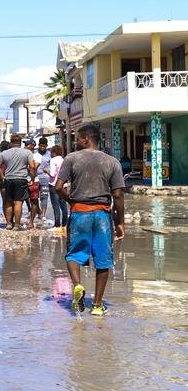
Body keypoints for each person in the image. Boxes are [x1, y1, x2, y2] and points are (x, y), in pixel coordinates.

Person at [55, 124, 125, 316]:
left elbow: (59, 187)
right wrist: (120, 222)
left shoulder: (71, 159)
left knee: (73, 254)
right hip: (102, 215)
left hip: (79, 214)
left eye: (78, 138)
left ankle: (78, 285)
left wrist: (72, 201)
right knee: (103, 259)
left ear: (86, 139)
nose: (76, 142)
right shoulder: (112, 162)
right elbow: (118, 195)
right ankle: (96, 305)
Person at [0, 136, 37, 230]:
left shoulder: (4, 153)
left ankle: (8, 224)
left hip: (8, 179)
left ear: (11, 142)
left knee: (8, 203)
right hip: (21, 179)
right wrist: (32, 178)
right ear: (20, 143)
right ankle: (17, 225)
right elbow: (32, 166)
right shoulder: (27, 152)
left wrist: (2, 177)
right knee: (18, 202)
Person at [45, 145, 69, 232]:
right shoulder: (64, 160)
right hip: (64, 185)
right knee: (63, 205)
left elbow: (52, 174)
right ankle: (65, 224)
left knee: (56, 206)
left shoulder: (53, 160)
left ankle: (57, 225)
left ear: (54, 152)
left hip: (54, 185)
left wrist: (46, 171)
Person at [25, 139, 43, 229]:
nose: (26, 146)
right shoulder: (23, 154)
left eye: (28, 144)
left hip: (34, 180)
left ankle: (31, 221)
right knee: (22, 199)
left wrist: (26, 166)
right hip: (23, 179)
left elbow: (34, 167)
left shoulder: (37, 156)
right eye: (25, 144)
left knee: (34, 200)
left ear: (33, 145)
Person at [35, 138, 52, 228]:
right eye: (41, 146)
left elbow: (52, 165)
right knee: (34, 197)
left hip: (45, 178)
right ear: (38, 145)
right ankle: (37, 211)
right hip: (35, 178)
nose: (42, 147)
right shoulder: (34, 153)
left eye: (44, 146)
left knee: (44, 195)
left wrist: (49, 171)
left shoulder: (50, 154)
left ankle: (43, 214)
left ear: (46, 146)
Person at [0, 141, 10, 218]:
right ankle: (11, 220)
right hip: (10, 179)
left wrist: (2, 177)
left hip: (1, 180)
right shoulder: (11, 156)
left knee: (5, 201)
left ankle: (8, 221)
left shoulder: (1, 156)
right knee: (12, 201)